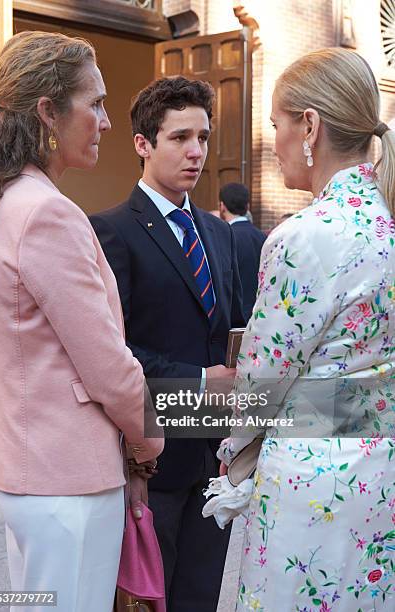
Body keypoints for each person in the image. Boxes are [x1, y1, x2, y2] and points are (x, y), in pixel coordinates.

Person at [0, 31, 163, 612]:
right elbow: (108, 365)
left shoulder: (8, 201)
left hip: (32, 475)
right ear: (46, 112)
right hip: (69, 483)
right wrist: (148, 439)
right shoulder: (46, 214)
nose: (107, 122)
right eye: (95, 103)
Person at [218, 48, 395, 610]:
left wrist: (234, 455)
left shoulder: (305, 237)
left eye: (276, 125)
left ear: (310, 126)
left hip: (313, 478)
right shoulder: (386, 228)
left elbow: (261, 382)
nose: (274, 145)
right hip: (381, 471)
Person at [90, 76, 245, 612]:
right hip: (149, 460)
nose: (197, 152)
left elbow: (232, 329)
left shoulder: (218, 232)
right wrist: (200, 381)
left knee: (202, 597)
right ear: (143, 144)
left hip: (215, 458)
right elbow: (113, 350)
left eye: (202, 137)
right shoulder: (111, 230)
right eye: (180, 138)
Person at [219, 182, 266, 322]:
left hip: (231, 316)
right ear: (248, 207)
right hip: (259, 315)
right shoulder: (263, 237)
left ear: (222, 206)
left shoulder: (223, 237)